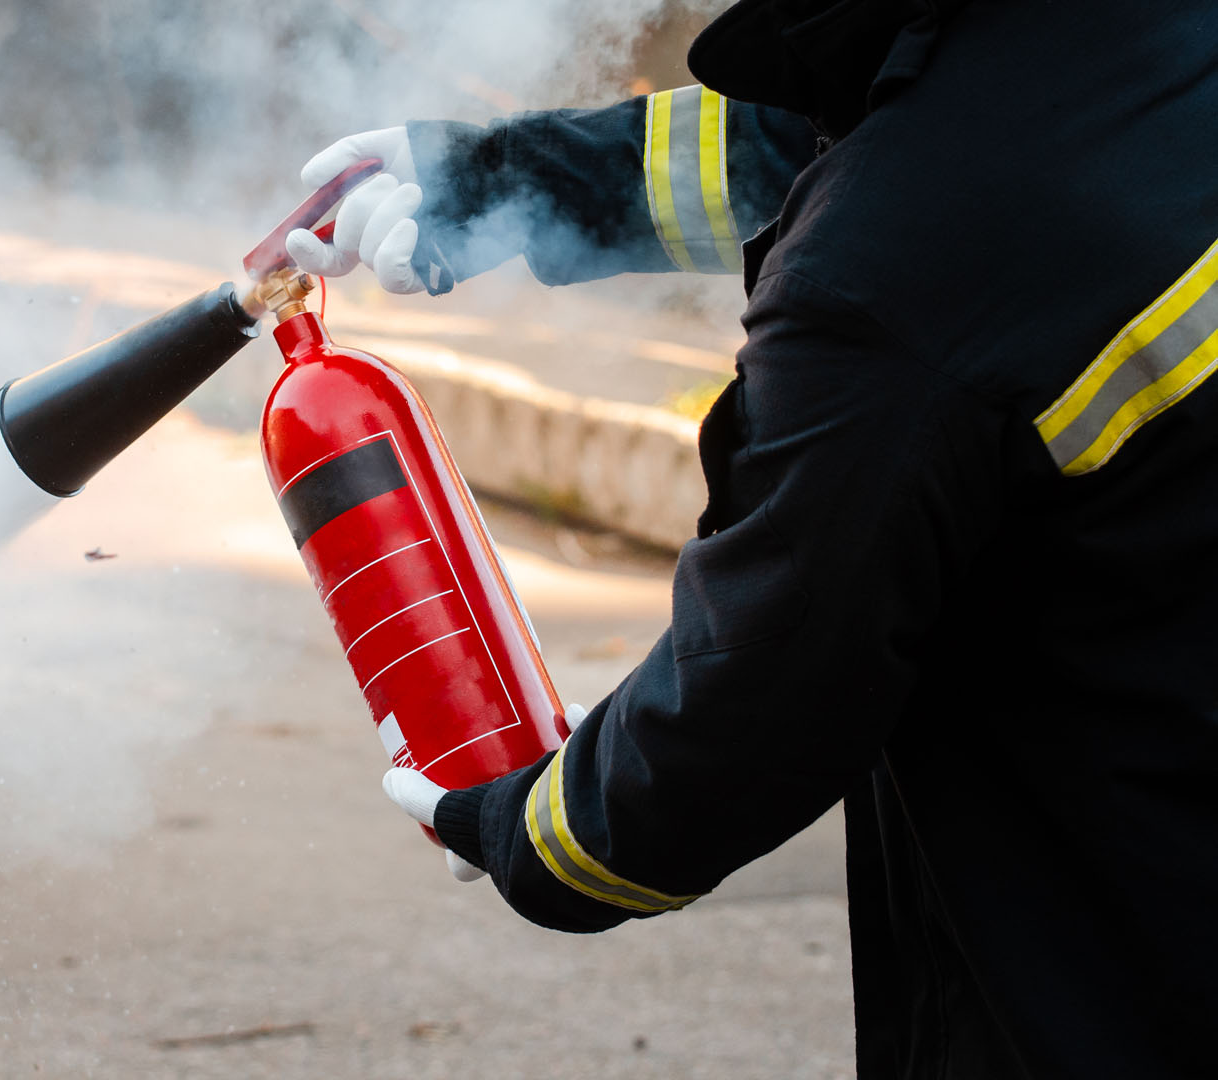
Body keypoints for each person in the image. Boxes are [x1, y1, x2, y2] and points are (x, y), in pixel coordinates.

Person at [288, 1, 1218, 1076]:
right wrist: (495, 181)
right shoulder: (1123, 40)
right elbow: (808, 131)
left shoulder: (895, 268)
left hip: (1124, 925)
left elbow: (763, 688)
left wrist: (534, 824)